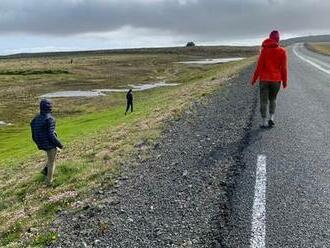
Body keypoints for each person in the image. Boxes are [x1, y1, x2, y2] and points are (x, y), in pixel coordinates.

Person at [251, 30, 288, 128]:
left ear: (270, 38)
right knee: (273, 99)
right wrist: (284, 81)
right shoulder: (282, 51)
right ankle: (271, 118)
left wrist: (254, 79)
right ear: (278, 39)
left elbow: (259, 67)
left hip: (264, 79)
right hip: (276, 80)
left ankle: (263, 122)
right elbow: (283, 68)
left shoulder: (264, 51)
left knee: (263, 100)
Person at [31, 99, 63, 185]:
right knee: (52, 162)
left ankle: (45, 170)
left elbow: (34, 134)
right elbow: (51, 135)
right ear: (50, 108)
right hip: (48, 143)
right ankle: (49, 181)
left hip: (40, 142)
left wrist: (38, 143)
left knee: (54, 154)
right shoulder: (50, 119)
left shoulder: (35, 119)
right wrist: (60, 144)